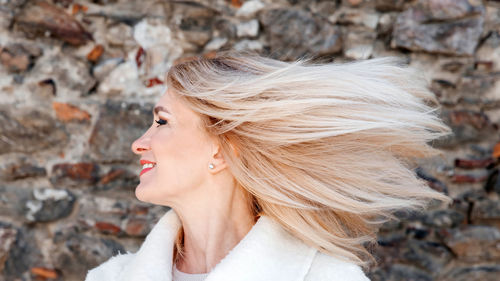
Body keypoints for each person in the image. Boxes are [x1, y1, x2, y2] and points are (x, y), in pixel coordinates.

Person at [84, 50, 452, 281]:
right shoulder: (110, 277)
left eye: (162, 122)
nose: (138, 144)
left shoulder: (329, 278)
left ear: (222, 149)